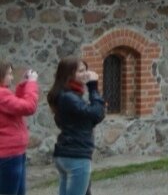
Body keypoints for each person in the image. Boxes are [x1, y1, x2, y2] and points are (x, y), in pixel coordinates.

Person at [48, 57, 104, 195]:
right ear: (68, 74)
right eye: (80, 71)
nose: (85, 73)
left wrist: (94, 112)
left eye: (86, 69)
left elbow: (90, 118)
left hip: (69, 152)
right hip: (76, 155)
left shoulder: (70, 95)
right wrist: (93, 87)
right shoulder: (68, 97)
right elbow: (96, 114)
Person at [0, 62, 39, 195]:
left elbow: (17, 105)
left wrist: (23, 85)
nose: (12, 78)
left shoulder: (4, 94)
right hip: (8, 156)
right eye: (9, 74)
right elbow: (28, 107)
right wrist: (32, 83)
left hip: (14, 153)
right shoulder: (1, 95)